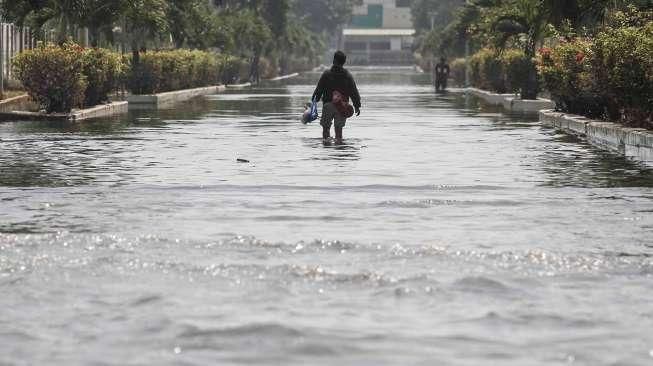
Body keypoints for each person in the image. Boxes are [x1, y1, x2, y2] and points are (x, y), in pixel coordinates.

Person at [312, 51, 361, 141]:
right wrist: (357, 106)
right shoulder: (347, 75)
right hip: (342, 106)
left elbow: (318, 90)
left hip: (328, 105)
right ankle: (339, 150)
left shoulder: (326, 74)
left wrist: (314, 103)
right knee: (339, 132)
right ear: (344, 62)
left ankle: (327, 149)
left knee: (326, 130)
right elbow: (354, 91)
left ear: (334, 60)